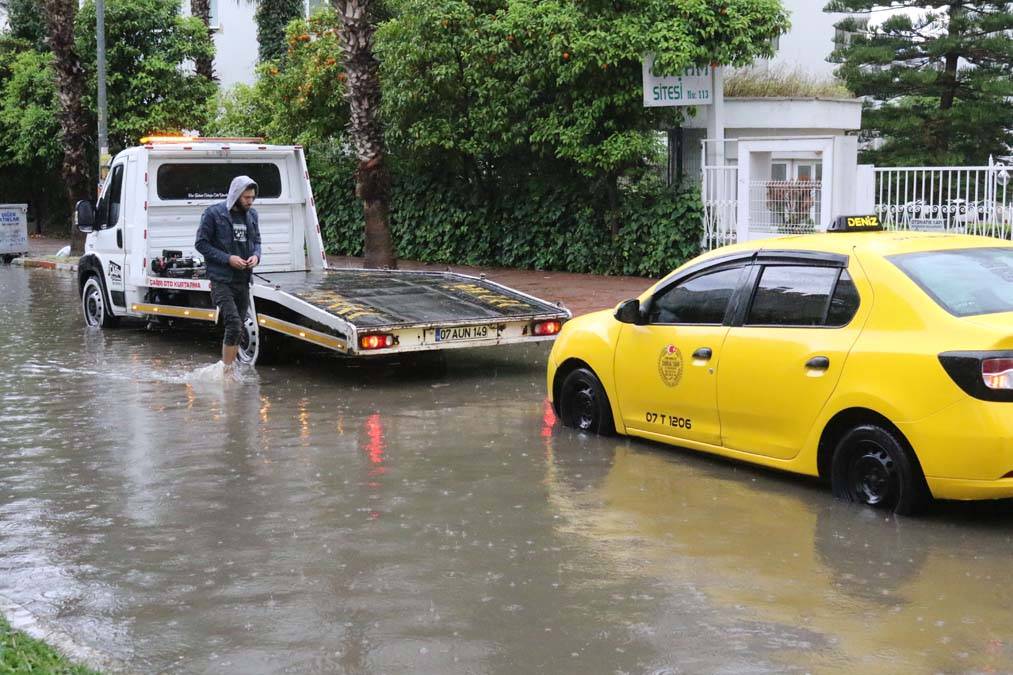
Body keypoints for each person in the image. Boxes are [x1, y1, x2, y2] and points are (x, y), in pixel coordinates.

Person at [195, 175, 262, 366]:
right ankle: (226, 372)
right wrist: (228, 259)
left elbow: (257, 241)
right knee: (232, 323)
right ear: (235, 195)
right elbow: (201, 244)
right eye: (246, 198)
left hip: (243, 279)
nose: (250, 202)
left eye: (252, 197)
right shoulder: (213, 214)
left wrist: (256, 256)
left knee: (238, 327)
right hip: (221, 279)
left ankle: (229, 370)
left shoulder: (252, 215)